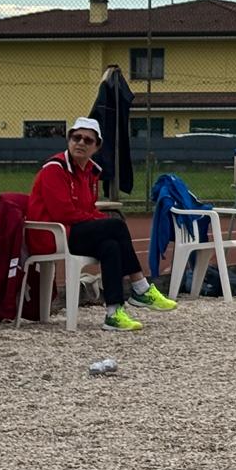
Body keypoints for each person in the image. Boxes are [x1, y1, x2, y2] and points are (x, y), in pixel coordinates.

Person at [26, 116, 177, 332]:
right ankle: (140, 287)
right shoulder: (54, 169)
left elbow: (87, 211)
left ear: (96, 147)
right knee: (114, 225)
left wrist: (98, 219)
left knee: (111, 246)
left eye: (88, 140)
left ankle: (113, 313)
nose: (80, 143)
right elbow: (63, 213)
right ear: (69, 140)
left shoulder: (90, 172)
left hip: (73, 233)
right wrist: (102, 221)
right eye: (76, 137)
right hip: (51, 235)